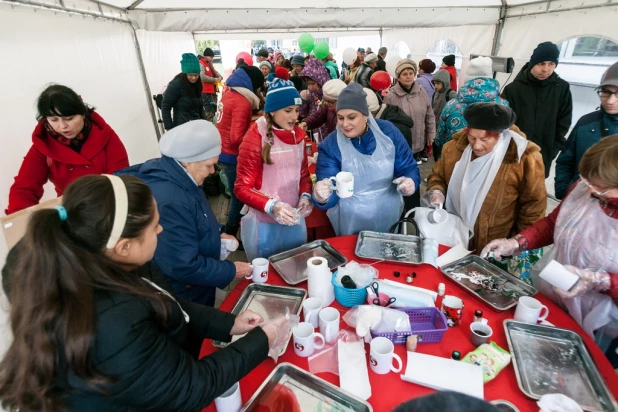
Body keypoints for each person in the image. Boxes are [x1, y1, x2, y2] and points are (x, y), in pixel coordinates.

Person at [0, 174, 294, 411]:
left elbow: (166, 302)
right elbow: (192, 387)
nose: (162, 230)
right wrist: (262, 339)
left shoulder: (106, 259)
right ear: (124, 246)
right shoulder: (111, 323)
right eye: (154, 226)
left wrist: (230, 323)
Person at [482, 135, 618, 363]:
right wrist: (516, 243)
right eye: (587, 182)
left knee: (580, 365)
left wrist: (600, 281)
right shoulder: (585, 188)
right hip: (557, 292)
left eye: (601, 190)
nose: (590, 191)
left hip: (603, 321)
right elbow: (554, 222)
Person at [117, 120, 252, 306]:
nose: (213, 171)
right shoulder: (170, 200)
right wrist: (231, 270)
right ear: (188, 161)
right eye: (209, 165)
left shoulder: (181, 175)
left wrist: (219, 232)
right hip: (185, 293)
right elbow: (182, 265)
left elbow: (197, 215)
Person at [427, 102, 547, 253]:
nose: (476, 146)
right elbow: (438, 176)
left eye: (484, 140)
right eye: (471, 137)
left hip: (496, 243)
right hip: (453, 233)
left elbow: (533, 206)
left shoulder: (524, 159)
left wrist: (516, 242)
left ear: (500, 136)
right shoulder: (453, 149)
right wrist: (437, 191)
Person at [313, 83, 420, 236]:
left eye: (352, 117)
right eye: (340, 118)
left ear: (365, 115)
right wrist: (322, 196)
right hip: (351, 218)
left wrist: (411, 181)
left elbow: (408, 167)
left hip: (388, 213)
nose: (345, 124)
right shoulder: (330, 146)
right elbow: (330, 187)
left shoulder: (388, 133)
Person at [5, 84, 129, 215]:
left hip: (110, 205)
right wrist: (18, 222)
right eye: (53, 120)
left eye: (69, 118)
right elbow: (25, 188)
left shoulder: (104, 134)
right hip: (72, 212)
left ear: (82, 113)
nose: (63, 126)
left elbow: (120, 177)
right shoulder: (43, 146)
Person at [234, 75, 313, 261]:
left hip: (293, 219)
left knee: (294, 264)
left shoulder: (297, 136)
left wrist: (305, 196)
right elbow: (241, 188)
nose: (295, 116)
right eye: (288, 110)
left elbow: (303, 175)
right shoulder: (255, 137)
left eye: (297, 110)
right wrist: (272, 206)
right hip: (265, 225)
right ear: (272, 111)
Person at [502, 41, 573, 178]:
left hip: (543, 155)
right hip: (514, 155)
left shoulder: (561, 89)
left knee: (534, 194)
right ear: (533, 63)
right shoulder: (513, 89)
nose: (546, 69)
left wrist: (552, 150)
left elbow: (564, 122)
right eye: (541, 63)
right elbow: (505, 123)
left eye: (551, 64)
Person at [555, 62, 618, 199]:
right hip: (576, 200)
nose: (611, 100)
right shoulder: (586, 123)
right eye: (606, 92)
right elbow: (565, 160)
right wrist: (564, 190)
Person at [216, 65, 265, 240]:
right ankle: (232, 233)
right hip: (232, 155)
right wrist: (256, 137)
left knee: (237, 195)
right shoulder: (242, 102)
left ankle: (233, 231)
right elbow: (237, 137)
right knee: (239, 197)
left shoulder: (229, 94)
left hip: (222, 151)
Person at [436, 57, 508, 155]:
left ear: (467, 79)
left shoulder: (451, 106)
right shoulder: (504, 106)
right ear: (490, 77)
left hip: (455, 160)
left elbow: (441, 137)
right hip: (491, 163)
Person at [383, 59, 435, 164]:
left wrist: (431, 135)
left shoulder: (421, 91)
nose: (408, 76)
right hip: (400, 144)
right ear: (398, 77)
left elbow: (429, 115)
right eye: (404, 74)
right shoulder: (391, 96)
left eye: (411, 73)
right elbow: (385, 121)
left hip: (419, 142)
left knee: (414, 170)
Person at [161, 53, 206, 130]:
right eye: (190, 75)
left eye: (196, 75)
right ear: (185, 73)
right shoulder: (176, 85)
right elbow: (165, 106)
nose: (193, 78)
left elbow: (200, 107)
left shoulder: (197, 84)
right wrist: (170, 128)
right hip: (182, 128)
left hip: (197, 127)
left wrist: (205, 123)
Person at [299, 58, 332, 140]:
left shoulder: (330, 92)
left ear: (320, 80)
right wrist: (304, 100)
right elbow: (302, 113)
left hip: (329, 131)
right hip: (314, 130)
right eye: (308, 84)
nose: (311, 87)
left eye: (313, 84)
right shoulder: (310, 92)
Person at [431, 69, 457, 161]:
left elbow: (455, 111)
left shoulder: (451, 94)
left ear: (445, 82)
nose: (436, 86)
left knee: (444, 155)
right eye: (434, 83)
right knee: (436, 154)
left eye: (438, 83)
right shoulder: (435, 94)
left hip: (446, 130)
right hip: (436, 128)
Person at [198, 48, 223, 122]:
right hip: (206, 92)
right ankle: (209, 125)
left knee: (214, 109)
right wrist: (214, 80)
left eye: (212, 57)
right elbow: (202, 77)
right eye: (211, 57)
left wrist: (220, 76)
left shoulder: (209, 64)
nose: (212, 59)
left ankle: (213, 123)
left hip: (212, 91)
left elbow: (215, 72)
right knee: (208, 111)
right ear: (205, 56)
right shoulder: (201, 63)